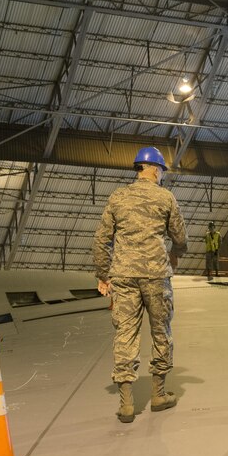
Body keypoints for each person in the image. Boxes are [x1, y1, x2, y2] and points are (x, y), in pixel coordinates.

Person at [93, 146, 188, 423]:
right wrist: (174, 255)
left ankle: (126, 403)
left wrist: (104, 274)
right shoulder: (165, 197)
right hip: (156, 274)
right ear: (156, 170)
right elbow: (180, 238)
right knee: (161, 331)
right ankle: (158, 394)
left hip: (124, 275)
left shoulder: (118, 197)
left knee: (125, 333)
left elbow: (101, 239)